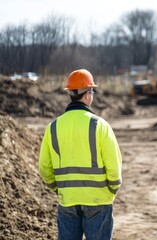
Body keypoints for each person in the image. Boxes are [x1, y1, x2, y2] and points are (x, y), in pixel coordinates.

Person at [38, 69, 122, 240]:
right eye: (91, 91)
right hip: (98, 201)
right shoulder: (100, 126)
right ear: (88, 94)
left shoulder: (53, 127)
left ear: (70, 93)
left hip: (68, 200)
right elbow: (114, 166)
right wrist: (112, 188)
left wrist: (59, 188)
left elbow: (44, 168)